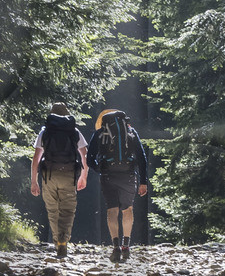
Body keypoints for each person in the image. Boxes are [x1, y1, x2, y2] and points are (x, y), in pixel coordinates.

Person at [91, 105, 150, 263]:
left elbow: (90, 159)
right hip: (129, 175)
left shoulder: (99, 133)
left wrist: (101, 168)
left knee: (112, 210)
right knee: (127, 210)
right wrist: (143, 182)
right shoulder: (131, 131)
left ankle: (115, 247)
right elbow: (142, 158)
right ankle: (126, 246)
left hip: (108, 176)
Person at [30, 100, 87, 258]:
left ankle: (57, 241)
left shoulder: (45, 132)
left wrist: (34, 181)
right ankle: (64, 240)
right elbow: (84, 155)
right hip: (69, 175)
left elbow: (36, 159)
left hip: (49, 175)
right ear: (66, 113)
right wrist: (84, 176)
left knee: (53, 210)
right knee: (68, 210)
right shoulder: (74, 131)